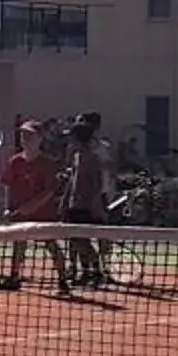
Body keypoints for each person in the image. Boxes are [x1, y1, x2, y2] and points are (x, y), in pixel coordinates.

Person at [0, 118, 65, 294]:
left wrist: (31, 207)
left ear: (40, 139)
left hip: (43, 214)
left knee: (51, 245)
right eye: (24, 135)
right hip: (20, 215)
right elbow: (8, 185)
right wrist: (8, 208)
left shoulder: (48, 163)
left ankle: (63, 280)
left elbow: (49, 192)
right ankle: (14, 276)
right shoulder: (15, 162)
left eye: (30, 135)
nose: (26, 139)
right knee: (19, 243)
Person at [59, 110, 117, 291]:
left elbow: (97, 183)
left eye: (73, 137)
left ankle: (97, 271)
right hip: (74, 204)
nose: (70, 141)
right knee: (75, 239)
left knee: (82, 240)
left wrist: (94, 204)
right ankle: (87, 271)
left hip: (86, 205)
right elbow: (73, 180)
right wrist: (65, 200)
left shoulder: (93, 158)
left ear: (79, 139)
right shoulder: (76, 157)